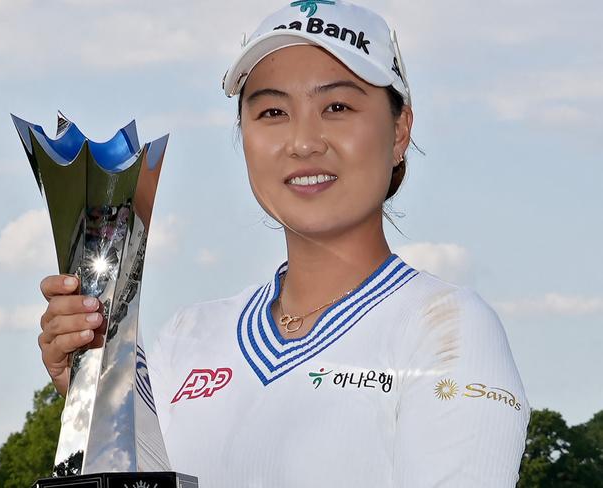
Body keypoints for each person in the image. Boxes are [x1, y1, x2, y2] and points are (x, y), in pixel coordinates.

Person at [38, 0, 531, 486]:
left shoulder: (446, 328)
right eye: (273, 111)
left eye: (337, 106)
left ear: (400, 130)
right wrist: (94, 398)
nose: (303, 141)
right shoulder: (185, 339)